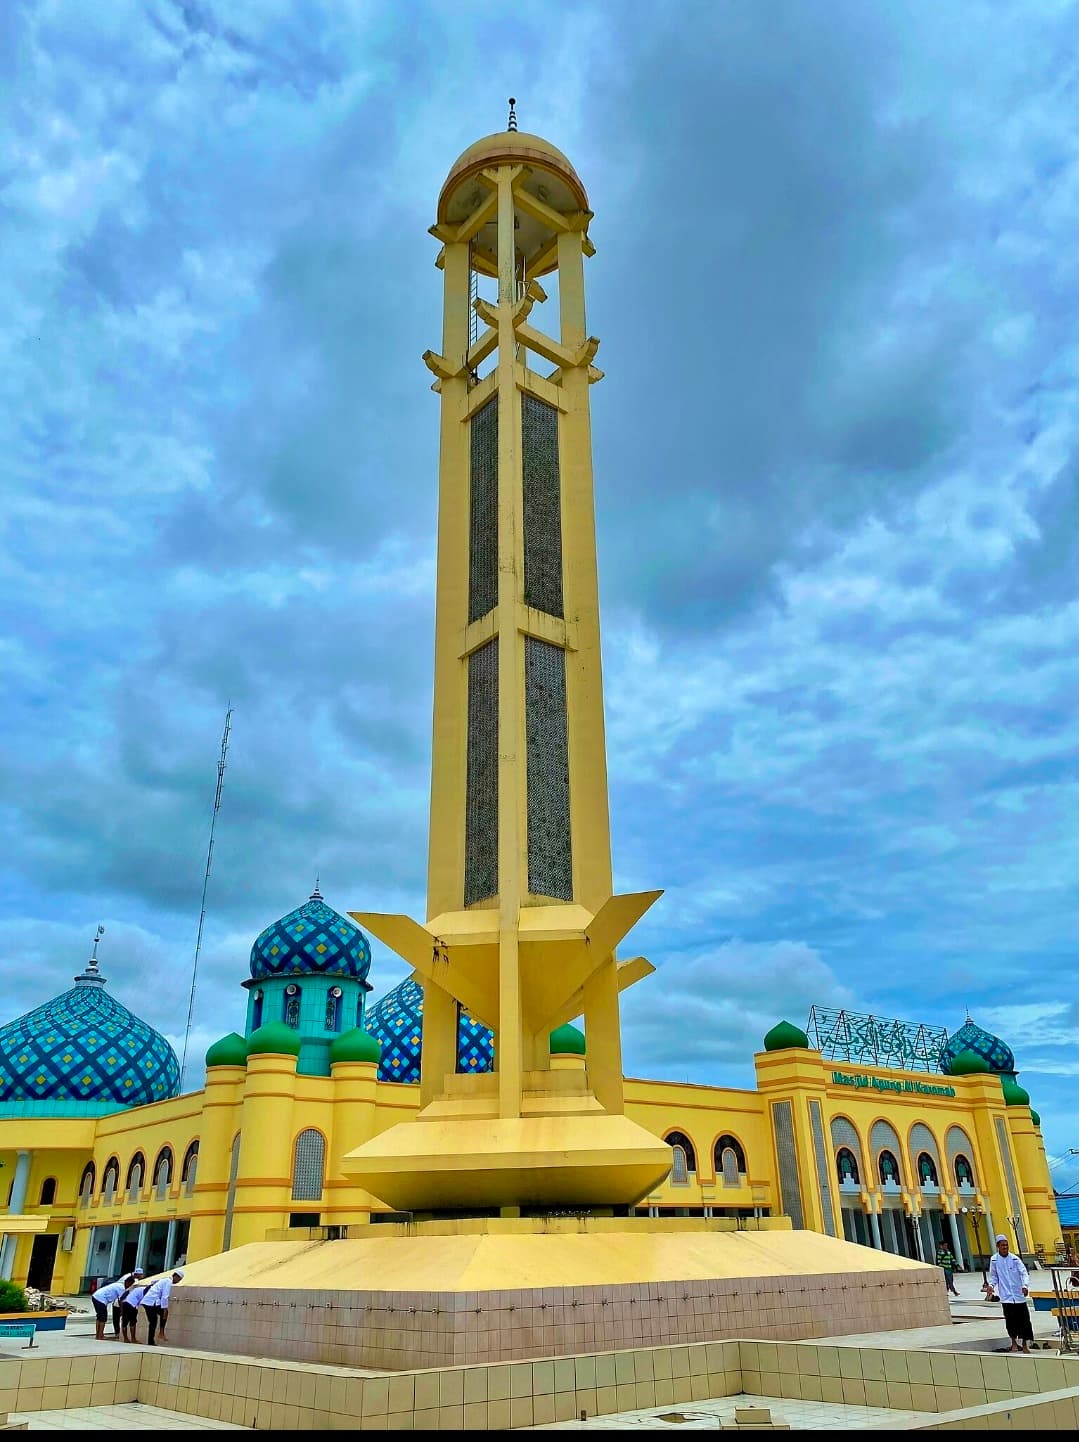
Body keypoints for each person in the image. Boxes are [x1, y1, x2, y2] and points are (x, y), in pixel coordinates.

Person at [988, 1233, 1033, 1354]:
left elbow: (1024, 1273)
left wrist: (1025, 1286)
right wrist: (991, 1286)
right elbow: (994, 1276)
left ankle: (1024, 1344)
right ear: (998, 1246)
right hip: (1006, 1297)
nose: (1005, 1247)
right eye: (1003, 1245)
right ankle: (1013, 1343)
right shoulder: (994, 1260)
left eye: (1006, 1245)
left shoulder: (1015, 1259)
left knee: (1024, 1321)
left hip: (1018, 1296)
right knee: (1010, 1321)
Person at [141, 1269, 183, 1346]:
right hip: (150, 1302)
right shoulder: (168, 1282)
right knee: (158, 1318)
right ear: (176, 1276)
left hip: (150, 1302)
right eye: (179, 1280)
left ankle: (156, 1337)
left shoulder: (165, 1280)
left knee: (154, 1321)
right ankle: (158, 1335)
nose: (178, 1282)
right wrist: (165, 1308)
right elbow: (165, 1296)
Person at [91, 1274, 130, 1342]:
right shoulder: (121, 1288)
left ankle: (98, 1335)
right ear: (127, 1283)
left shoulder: (118, 1285)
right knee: (103, 1318)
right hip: (101, 1299)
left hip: (96, 1296)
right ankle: (100, 1336)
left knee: (99, 1317)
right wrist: (122, 1311)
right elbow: (121, 1301)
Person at [119, 1275, 147, 1344]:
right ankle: (133, 1339)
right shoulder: (145, 1291)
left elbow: (122, 1298)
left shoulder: (137, 1289)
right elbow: (144, 1302)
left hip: (125, 1303)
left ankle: (125, 1339)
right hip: (132, 1305)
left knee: (124, 1322)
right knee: (132, 1322)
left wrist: (122, 1311)